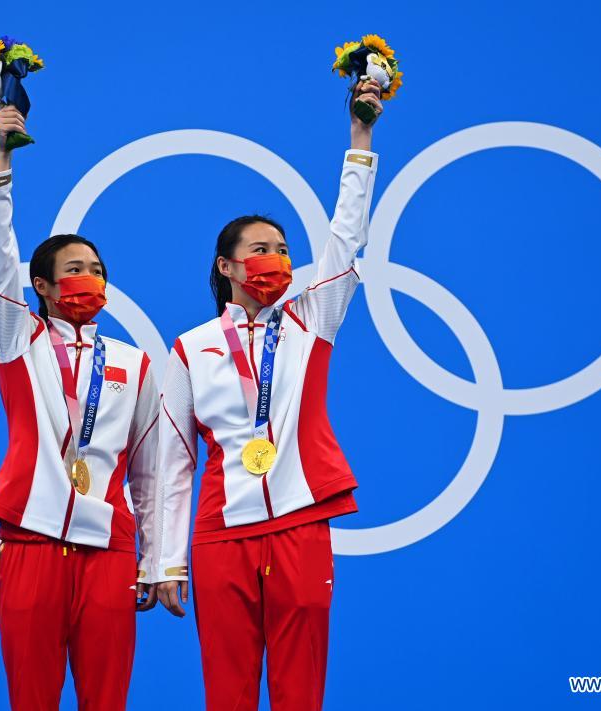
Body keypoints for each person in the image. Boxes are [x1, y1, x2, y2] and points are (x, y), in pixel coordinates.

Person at [154, 78, 385, 710]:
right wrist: (167, 559)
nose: (276, 260)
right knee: (226, 692)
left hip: (300, 523)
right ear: (226, 266)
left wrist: (360, 137)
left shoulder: (314, 318)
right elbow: (173, 463)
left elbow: (347, 237)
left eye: (282, 251)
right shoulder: (190, 346)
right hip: (220, 534)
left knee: (299, 688)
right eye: (259, 251)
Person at [0, 105, 160, 711]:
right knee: (32, 699)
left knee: (107, 700)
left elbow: (149, 473)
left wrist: (157, 559)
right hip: (31, 540)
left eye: (98, 270)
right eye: (74, 270)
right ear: (44, 287)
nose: (90, 278)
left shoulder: (133, 363)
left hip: (107, 550)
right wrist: (1, 168)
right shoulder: (18, 339)